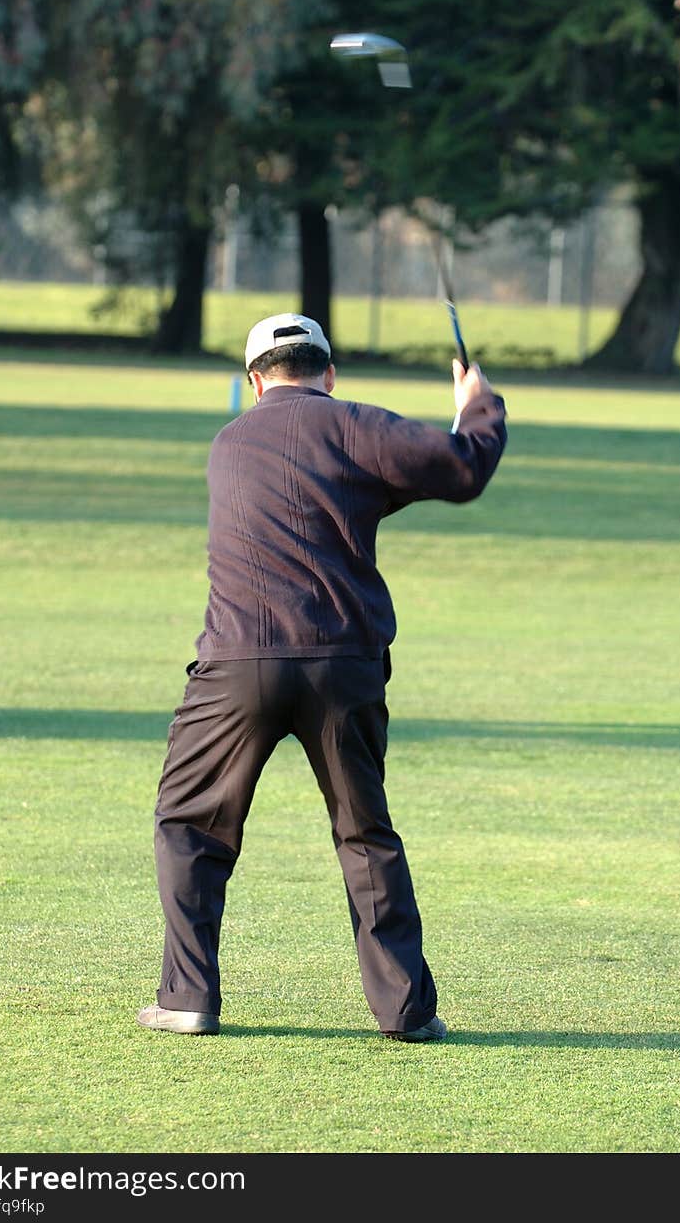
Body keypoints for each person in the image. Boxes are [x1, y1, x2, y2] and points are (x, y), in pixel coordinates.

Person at [138, 312, 507, 1042]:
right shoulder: (358, 428)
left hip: (237, 664)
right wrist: (479, 405)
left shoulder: (228, 444)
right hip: (344, 662)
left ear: (254, 382)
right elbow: (461, 468)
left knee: (190, 824)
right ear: (329, 373)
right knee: (364, 833)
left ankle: (187, 996)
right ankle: (403, 1010)